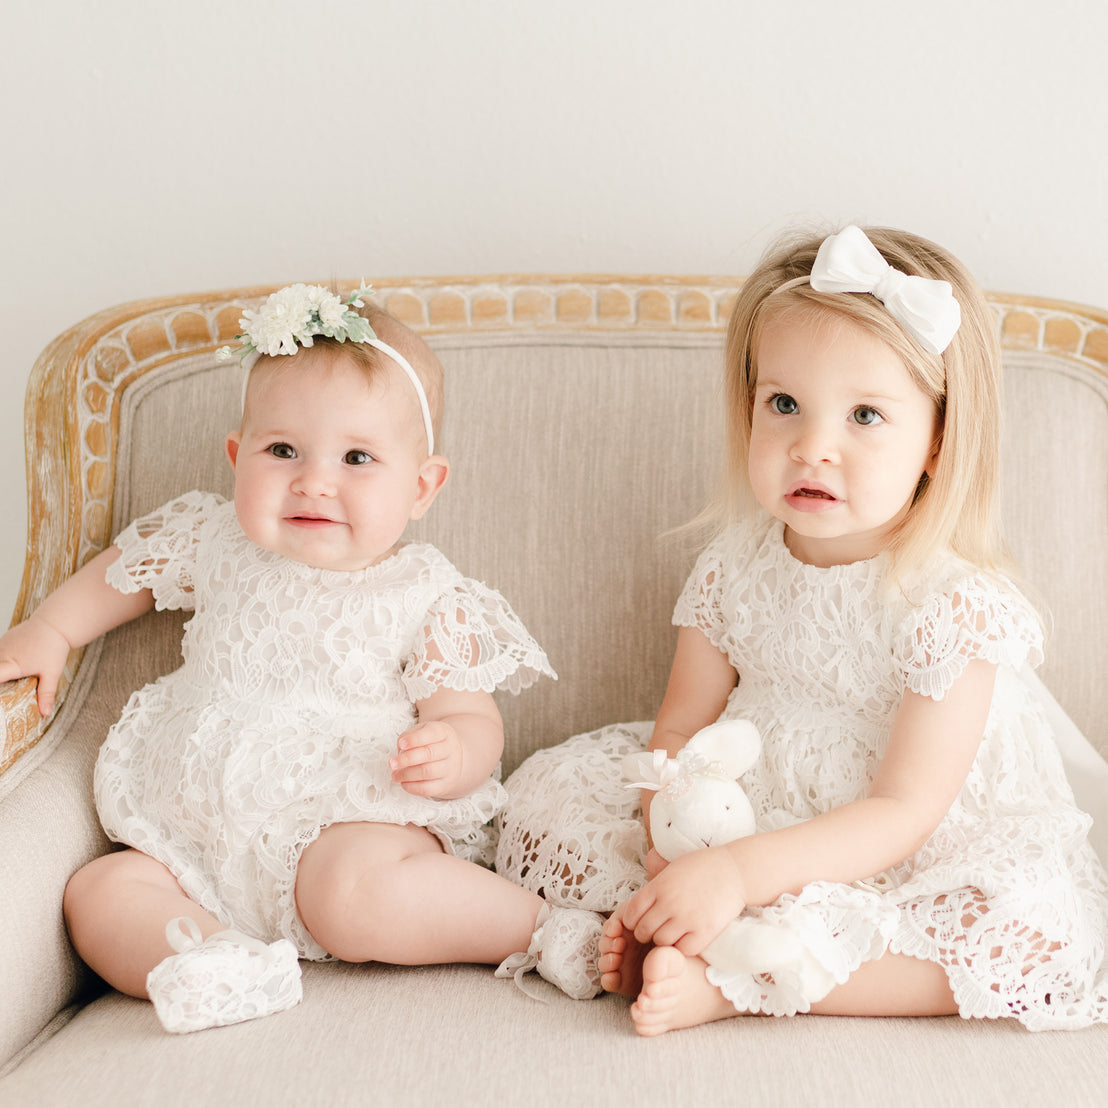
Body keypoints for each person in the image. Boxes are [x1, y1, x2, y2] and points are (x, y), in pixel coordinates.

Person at [495, 226, 1108, 1035]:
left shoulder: (953, 604)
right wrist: (672, 836)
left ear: (938, 441)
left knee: (1034, 941)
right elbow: (682, 724)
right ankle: (679, 923)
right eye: (784, 404)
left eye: (865, 416)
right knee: (548, 799)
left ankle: (747, 979)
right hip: (752, 804)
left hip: (902, 837)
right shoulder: (735, 565)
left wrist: (737, 873)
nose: (813, 449)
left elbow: (903, 810)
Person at [0, 284, 603, 1033]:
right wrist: (52, 629)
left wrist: (458, 752)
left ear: (421, 486)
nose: (314, 479)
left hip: (343, 822)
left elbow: (466, 711)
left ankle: (542, 929)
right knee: (99, 891)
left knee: (353, 897)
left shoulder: (423, 593)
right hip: (191, 840)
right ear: (237, 457)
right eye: (282, 450)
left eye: (356, 457)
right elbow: (126, 572)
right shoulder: (214, 537)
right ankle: (216, 963)